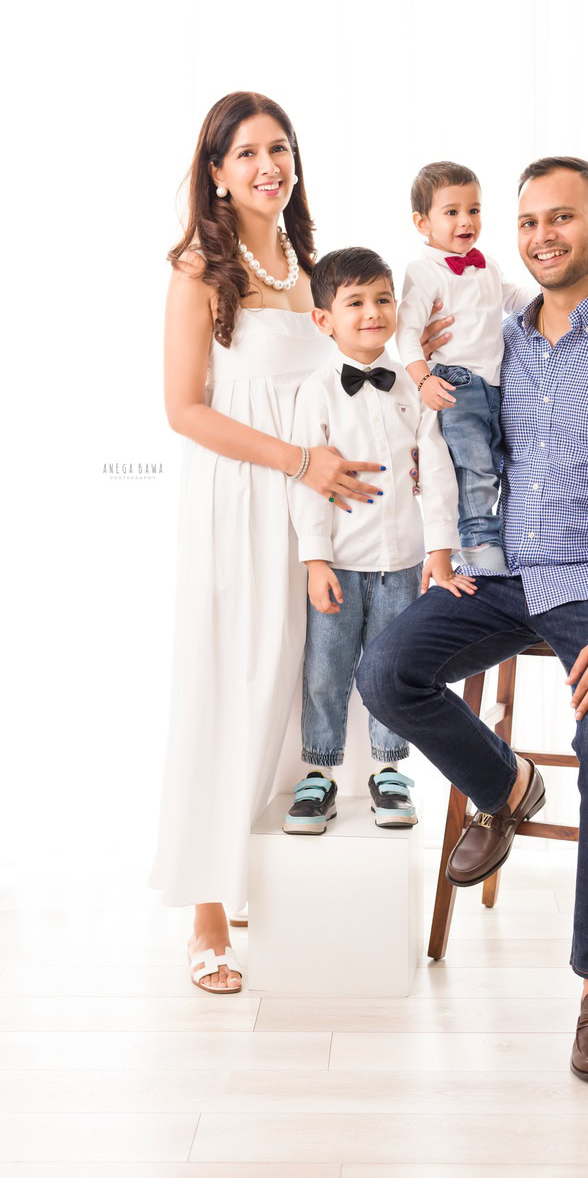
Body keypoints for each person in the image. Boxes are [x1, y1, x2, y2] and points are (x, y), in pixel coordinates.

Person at [357, 157, 588, 1080]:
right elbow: (417, 378)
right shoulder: (494, 336)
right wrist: (418, 373)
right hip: (500, 572)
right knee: (386, 671)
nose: (543, 236)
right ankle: (508, 787)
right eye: (528, 223)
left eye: (563, 219)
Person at [148, 92, 453, 994]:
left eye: (279, 148)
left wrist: (417, 351)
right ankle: (209, 907)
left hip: (329, 513)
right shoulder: (201, 271)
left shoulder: (310, 263)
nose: (267, 166)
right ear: (214, 171)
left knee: (312, 675)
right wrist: (298, 461)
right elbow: (183, 409)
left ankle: (273, 876)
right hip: (246, 496)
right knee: (236, 677)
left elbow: (356, 361)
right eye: (245, 154)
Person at [285, 247, 470, 834]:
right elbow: (307, 484)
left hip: (404, 561)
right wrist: (314, 560)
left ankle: (390, 770)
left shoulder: (415, 388)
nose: (373, 312)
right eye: (356, 302)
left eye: (383, 299)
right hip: (340, 560)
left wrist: (440, 547)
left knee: (394, 670)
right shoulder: (316, 392)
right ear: (325, 319)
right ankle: (319, 773)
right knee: (326, 670)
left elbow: (437, 468)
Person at [395, 162, 535, 572]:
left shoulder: (487, 264)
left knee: (493, 465)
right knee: (472, 468)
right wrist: (423, 380)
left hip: (494, 385)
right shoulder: (423, 271)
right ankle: (479, 552)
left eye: (474, 210)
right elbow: (406, 331)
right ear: (423, 223)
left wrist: (553, 299)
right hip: (456, 381)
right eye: (451, 211)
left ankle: (484, 543)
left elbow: (513, 297)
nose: (466, 220)